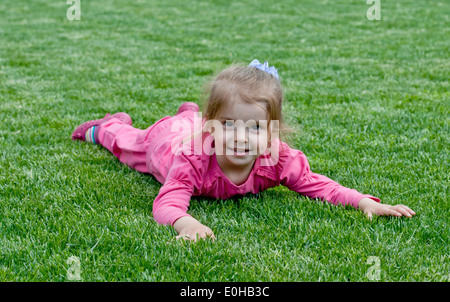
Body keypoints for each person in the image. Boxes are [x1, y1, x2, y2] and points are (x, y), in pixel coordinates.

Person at [71, 59, 416, 241]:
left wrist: (364, 201)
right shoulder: (193, 159)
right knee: (130, 145)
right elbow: (167, 201)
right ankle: (107, 127)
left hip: (197, 126)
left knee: (189, 121)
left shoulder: (278, 158)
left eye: (253, 127)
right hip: (168, 142)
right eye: (229, 124)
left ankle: (189, 113)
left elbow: (317, 184)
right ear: (213, 126)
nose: (239, 136)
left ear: (271, 132)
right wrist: (185, 223)